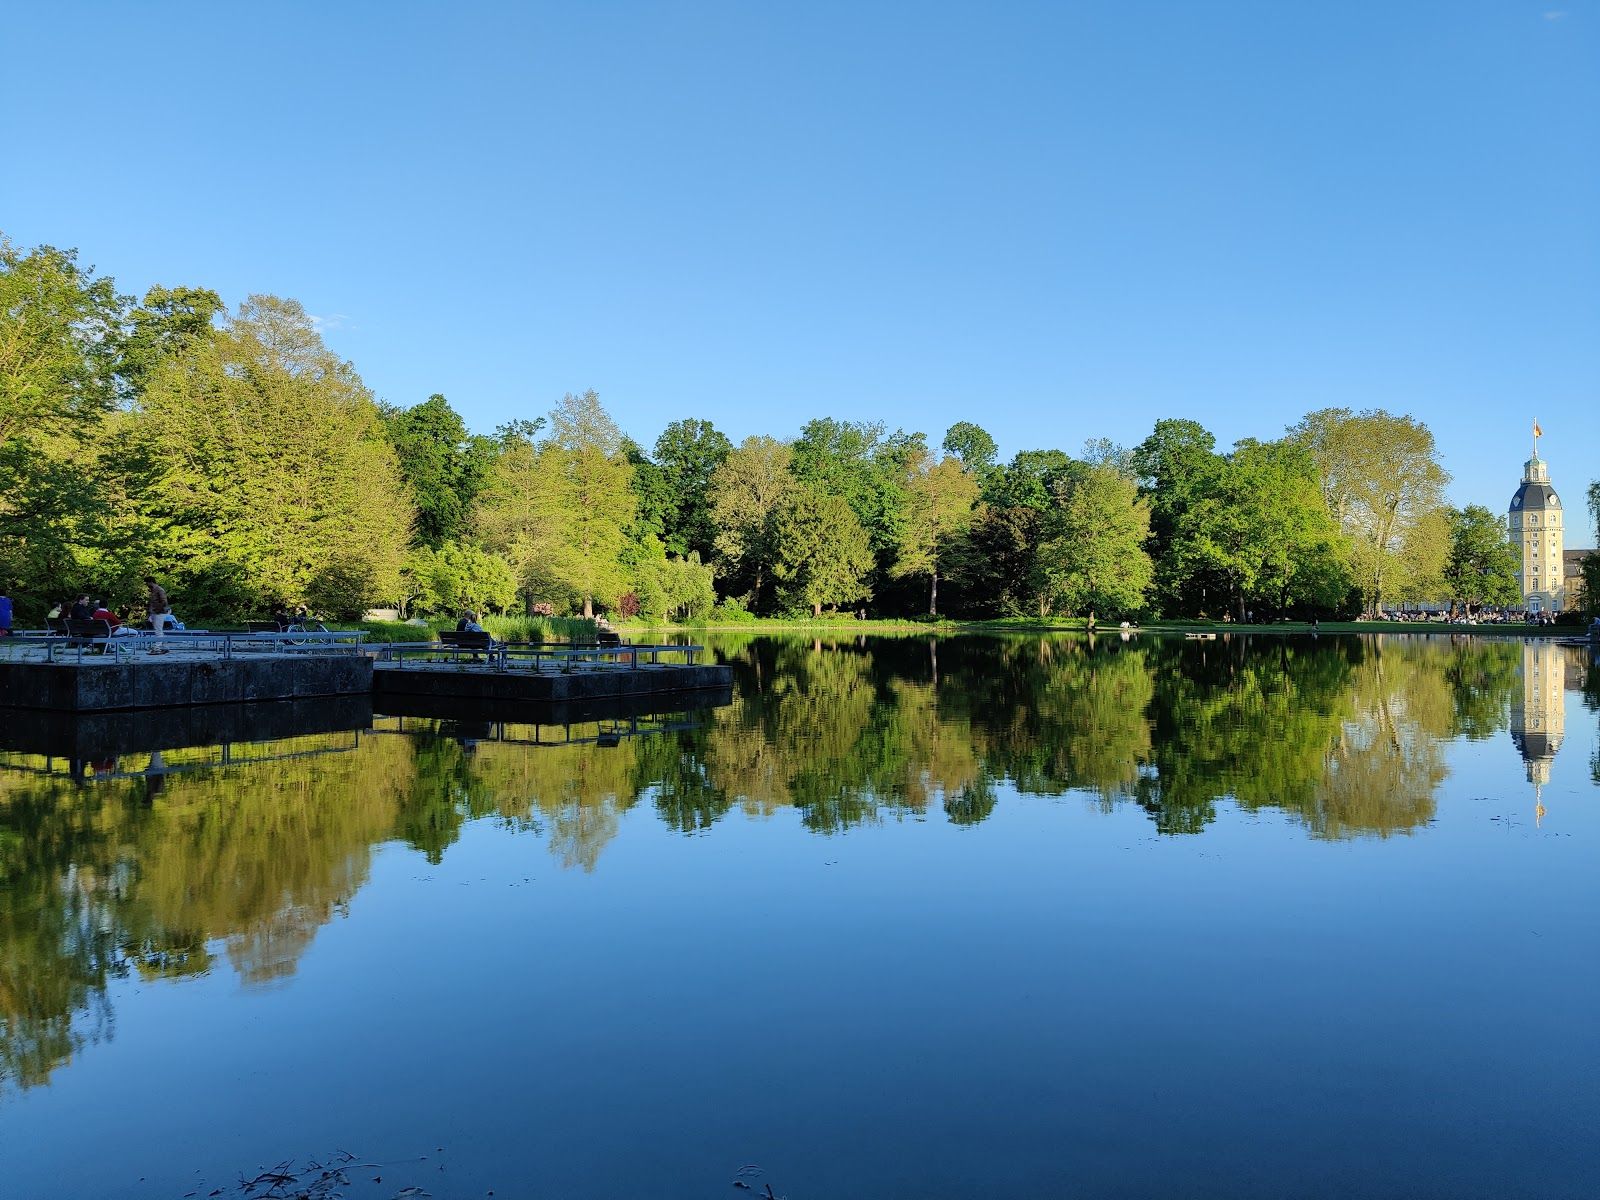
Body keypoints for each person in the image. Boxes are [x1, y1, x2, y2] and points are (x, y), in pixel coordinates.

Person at [145, 575, 175, 654]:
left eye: (147, 583)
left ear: (151, 582)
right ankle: (164, 647)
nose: (146, 585)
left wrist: (158, 610)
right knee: (159, 630)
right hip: (154, 612)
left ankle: (157, 648)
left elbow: (164, 602)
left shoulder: (159, 590)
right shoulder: (153, 590)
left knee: (158, 630)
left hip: (159, 612)